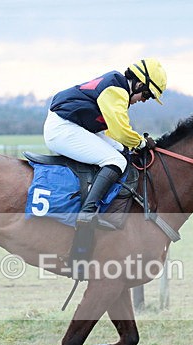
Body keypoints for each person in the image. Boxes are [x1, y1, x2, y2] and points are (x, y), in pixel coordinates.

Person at [44, 58, 167, 228]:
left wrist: (130, 145)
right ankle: (87, 212)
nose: (145, 100)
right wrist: (141, 143)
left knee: (119, 150)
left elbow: (113, 134)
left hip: (74, 126)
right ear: (139, 84)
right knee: (116, 160)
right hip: (63, 127)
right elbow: (120, 130)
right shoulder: (117, 90)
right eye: (147, 95)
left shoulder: (117, 86)